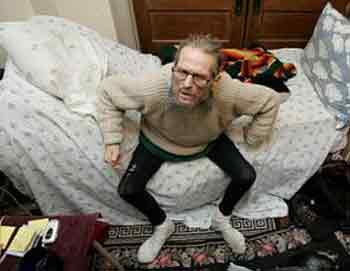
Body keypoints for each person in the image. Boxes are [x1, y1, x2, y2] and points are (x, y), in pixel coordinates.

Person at [97, 34, 280, 263]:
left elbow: (270, 101)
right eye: (182, 72)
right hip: (157, 139)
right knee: (128, 190)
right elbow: (107, 91)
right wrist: (112, 139)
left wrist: (253, 137)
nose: (186, 84)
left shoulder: (229, 92)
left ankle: (221, 219)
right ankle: (163, 225)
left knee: (246, 176)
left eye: (199, 77)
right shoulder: (152, 87)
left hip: (208, 139)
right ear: (173, 67)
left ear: (216, 78)